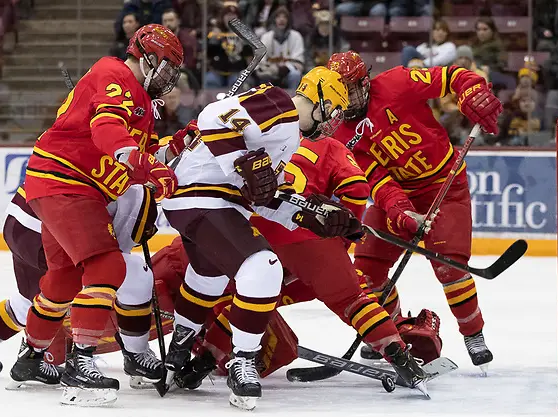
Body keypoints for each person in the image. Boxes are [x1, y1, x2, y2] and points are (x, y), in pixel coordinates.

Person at [169, 135, 431, 393]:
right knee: (353, 299)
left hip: (255, 232)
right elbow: (357, 188)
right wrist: (343, 237)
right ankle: (400, 357)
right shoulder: (331, 145)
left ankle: (202, 364)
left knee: (255, 301)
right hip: (307, 229)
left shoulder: (266, 138)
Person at [8, 24, 183, 406]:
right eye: (167, 68)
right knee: (107, 268)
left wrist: (177, 146)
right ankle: (80, 362)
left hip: (65, 183)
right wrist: (140, 162)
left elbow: (142, 155)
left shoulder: (140, 101)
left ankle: (32, 356)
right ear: (148, 58)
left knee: (63, 278)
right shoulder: (114, 72)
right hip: (67, 181)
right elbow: (106, 129)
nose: (169, 80)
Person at [160, 67, 355, 410]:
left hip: (207, 202)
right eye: (335, 111)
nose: (333, 122)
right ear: (320, 99)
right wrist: (242, 163)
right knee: (263, 267)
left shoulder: (290, 139)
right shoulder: (280, 104)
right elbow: (214, 116)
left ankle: (181, 341)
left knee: (209, 274)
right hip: (204, 195)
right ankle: (243, 360)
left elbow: (263, 197)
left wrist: (313, 217)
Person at [326, 51, 502, 371]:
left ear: (365, 83)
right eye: (338, 89)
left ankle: (473, 334)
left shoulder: (397, 81)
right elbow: (376, 181)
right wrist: (402, 212)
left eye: (350, 88)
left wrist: (472, 90)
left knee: (449, 266)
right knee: (367, 269)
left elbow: (453, 77)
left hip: (444, 186)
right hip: (399, 194)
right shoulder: (341, 133)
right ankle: (391, 334)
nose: (344, 97)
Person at [0, 184, 160, 390]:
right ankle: (136, 354)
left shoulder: (116, 160)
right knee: (132, 274)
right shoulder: (134, 189)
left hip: (19, 221)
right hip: (48, 228)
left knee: (32, 297)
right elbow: (108, 256)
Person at [257, 6, 305, 89]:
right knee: (264, 76)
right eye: (278, 17)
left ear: (288, 20)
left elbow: (298, 61)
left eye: (284, 17)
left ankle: (292, 99)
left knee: (295, 74)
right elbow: (261, 59)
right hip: (270, 71)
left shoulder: (296, 36)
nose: (281, 20)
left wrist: (284, 68)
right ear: (274, 20)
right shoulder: (266, 36)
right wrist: (271, 68)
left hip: (289, 71)